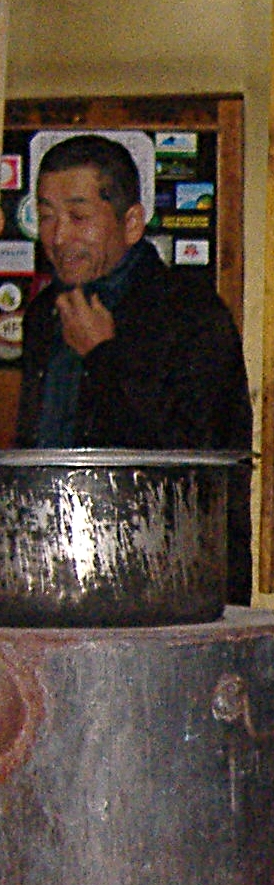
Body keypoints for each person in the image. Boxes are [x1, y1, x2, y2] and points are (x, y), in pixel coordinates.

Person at [14, 134, 254, 604]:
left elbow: (197, 458)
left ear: (131, 223)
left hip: (172, 581)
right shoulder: (44, 313)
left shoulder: (189, 311)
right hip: (58, 569)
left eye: (79, 217)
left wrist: (104, 356)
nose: (58, 238)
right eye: (46, 217)